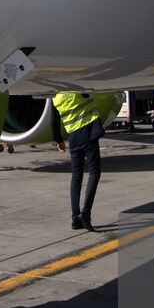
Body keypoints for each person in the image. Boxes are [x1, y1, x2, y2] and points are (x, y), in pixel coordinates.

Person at [52, 91, 109, 231]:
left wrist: (59, 140)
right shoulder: (76, 90)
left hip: (74, 138)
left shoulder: (55, 98)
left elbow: (53, 121)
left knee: (76, 177)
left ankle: (75, 218)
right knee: (94, 173)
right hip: (88, 134)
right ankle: (86, 213)